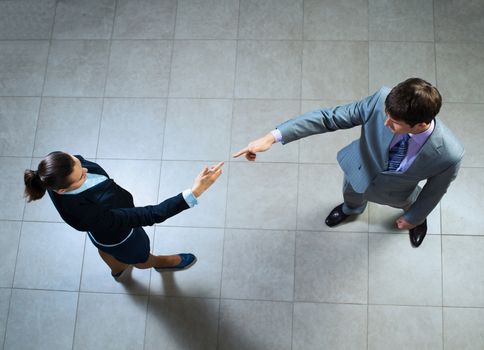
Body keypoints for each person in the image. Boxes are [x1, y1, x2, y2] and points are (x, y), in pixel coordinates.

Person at [233, 78, 464, 248]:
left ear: (421, 124)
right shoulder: (380, 99)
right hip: (359, 171)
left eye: (394, 123)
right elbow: (328, 118)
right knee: (351, 195)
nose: (385, 124)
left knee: (411, 205)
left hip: (399, 192)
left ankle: (417, 222)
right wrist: (272, 137)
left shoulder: (449, 154)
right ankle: (350, 210)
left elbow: (434, 192)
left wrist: (414, 218)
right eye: (386, 115)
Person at [24, 152, 224, 279]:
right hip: (120, 236)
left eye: (77, 161)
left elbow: (79, 166)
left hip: (100, 234)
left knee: (104, 248)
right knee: (140, 255)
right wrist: (195, 192)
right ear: (61, 190)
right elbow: (150, 214)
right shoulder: (89, 214)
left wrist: (78, 167)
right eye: (81, 176)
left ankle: (117, 270)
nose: (85, 168)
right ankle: (160, 263)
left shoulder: (54, 176)